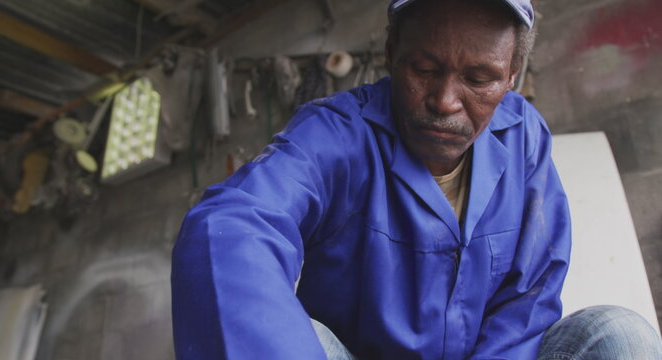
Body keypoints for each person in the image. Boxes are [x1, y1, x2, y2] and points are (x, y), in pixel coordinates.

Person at [171, 0, 662, 359]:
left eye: (478, 78)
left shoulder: (524, 137)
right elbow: (234, 224)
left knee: (621, 336)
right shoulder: (335, 135)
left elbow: (530, 295)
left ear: (512, 75)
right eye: (424, 68)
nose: (446, 101)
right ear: (391, 52)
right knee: (308, 339)